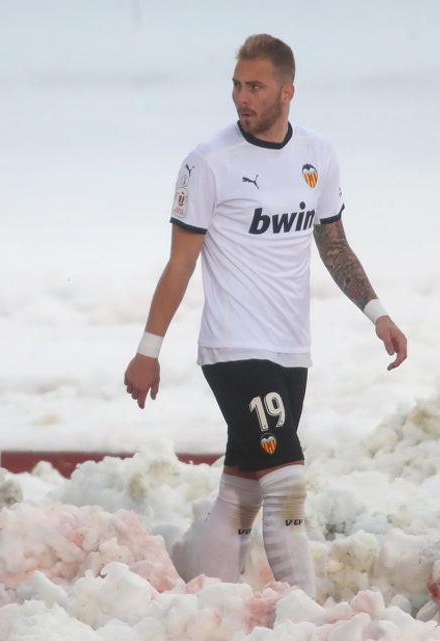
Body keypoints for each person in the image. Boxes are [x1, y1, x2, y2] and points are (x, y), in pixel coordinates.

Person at [123, 34, 408, 596]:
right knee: (287, 485)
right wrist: (148, 350)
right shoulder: (208, 162)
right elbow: (180, 264)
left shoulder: (318, 155)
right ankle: (308, 617)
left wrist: (377, 313)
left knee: (244, 488)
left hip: (290, 349)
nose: (241, 98)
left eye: (254, 87)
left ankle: (208, 605)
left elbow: (333, 245)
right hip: (232, 347)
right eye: (236, 85)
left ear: (287, 91)